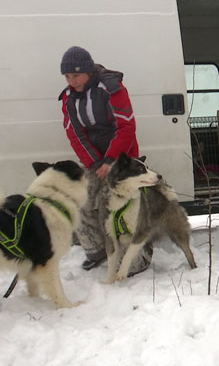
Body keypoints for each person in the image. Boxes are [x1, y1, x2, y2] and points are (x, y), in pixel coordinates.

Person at [57, 46, 151, 273]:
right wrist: (95, 163)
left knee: (127, 207)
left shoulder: (111, 88)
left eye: (76, 75)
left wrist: (111, 160)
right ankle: (97, 250)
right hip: (96, 160)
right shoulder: (68, 98)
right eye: (67, 76)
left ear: (89, 71)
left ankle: (140, 257)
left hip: (122, 157)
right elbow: (75, 134)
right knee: (83, 203)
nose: (72, 81)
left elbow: (126, 126)